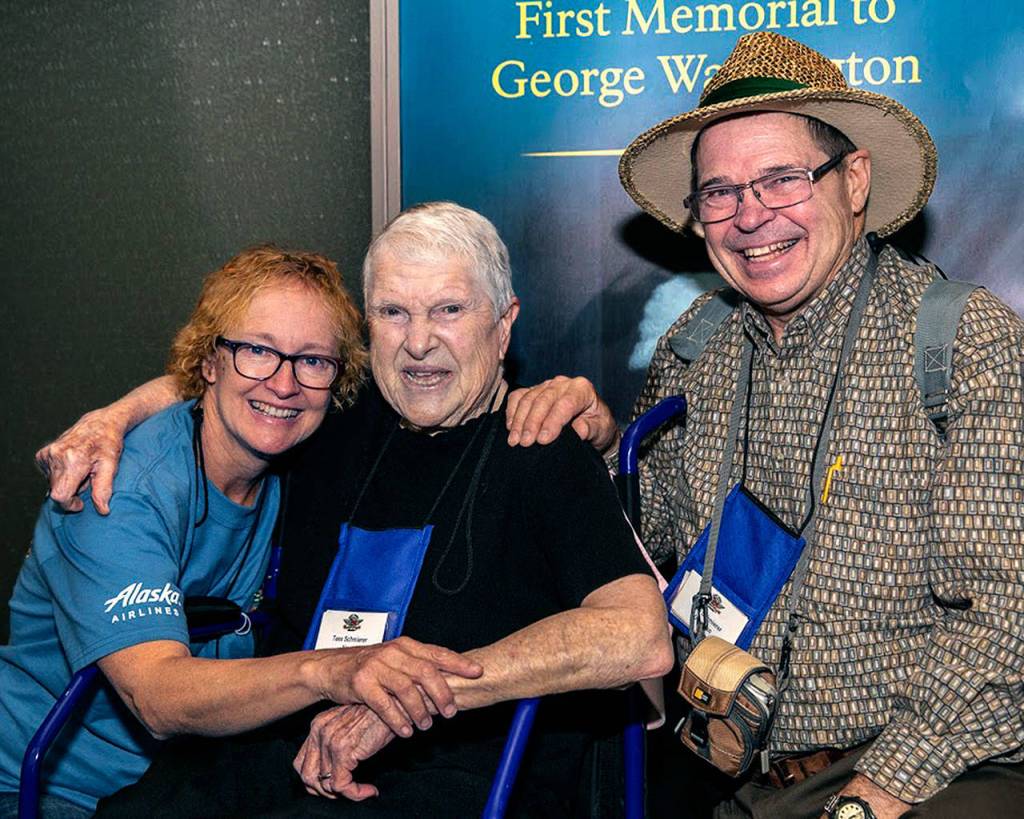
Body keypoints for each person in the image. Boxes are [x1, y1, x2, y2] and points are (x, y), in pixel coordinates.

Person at [506, 31, 1024, 819]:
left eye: (781, 179)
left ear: (853, 182)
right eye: (719, 191)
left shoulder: (962, 344)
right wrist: (610, 443)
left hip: (941, 775)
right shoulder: (695, 351)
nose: (750, 216)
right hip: (737, 779)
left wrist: (875, 793)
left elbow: (1008, 621)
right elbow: (652, 548)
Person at [34, 203, 673, 817]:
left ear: (503, 324)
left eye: (449, 309)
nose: (419, 342)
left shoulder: (541, 445)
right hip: (278, 747)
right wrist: (113, 415)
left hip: (461, 772)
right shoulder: (328, 422)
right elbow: (238, 373)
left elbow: (639, 637)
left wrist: (409, 697)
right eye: (393, 312)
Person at [0, 246, 484, 818]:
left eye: (311, 361)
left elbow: (453, 401)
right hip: (53, 792)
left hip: (191, 780)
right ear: (210, 360)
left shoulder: (301, 466)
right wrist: (332, 670)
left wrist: (569, 409)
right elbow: (159, 697)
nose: (284, 384)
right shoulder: (114, 490)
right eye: (257, 350)